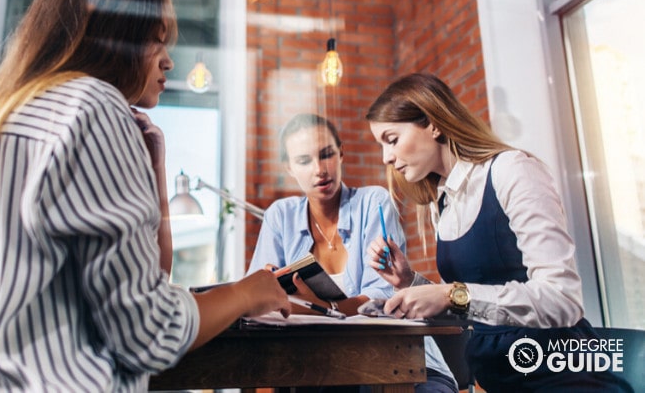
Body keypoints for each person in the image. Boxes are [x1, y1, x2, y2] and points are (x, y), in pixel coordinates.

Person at [0, 0, 290, 391]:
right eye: (155, 42)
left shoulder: (13, 114)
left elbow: (143, 284)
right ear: (112, 41)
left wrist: (155, 169)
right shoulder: (92, 106)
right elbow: (149, 336)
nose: (168, 62)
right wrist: (245, 293)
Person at [365, 72, 632, 392]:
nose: (386, 157)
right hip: (497, 379)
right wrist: (411, 283)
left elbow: (563, 300)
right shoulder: (444, 201)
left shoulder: (511, 170)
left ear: (433, 123)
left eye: (391, 140)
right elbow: (473, 308)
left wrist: (450, 294)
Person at [248, 113, 457, 393]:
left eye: (326, 155)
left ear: (341, 153)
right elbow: (259, 305)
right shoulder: (280, 216)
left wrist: (318, 308)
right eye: (304, 161)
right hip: (320, 369)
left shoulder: (373, 202)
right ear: (289, 168)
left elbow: (382, 302)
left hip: (403, 362)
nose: (320, 169)